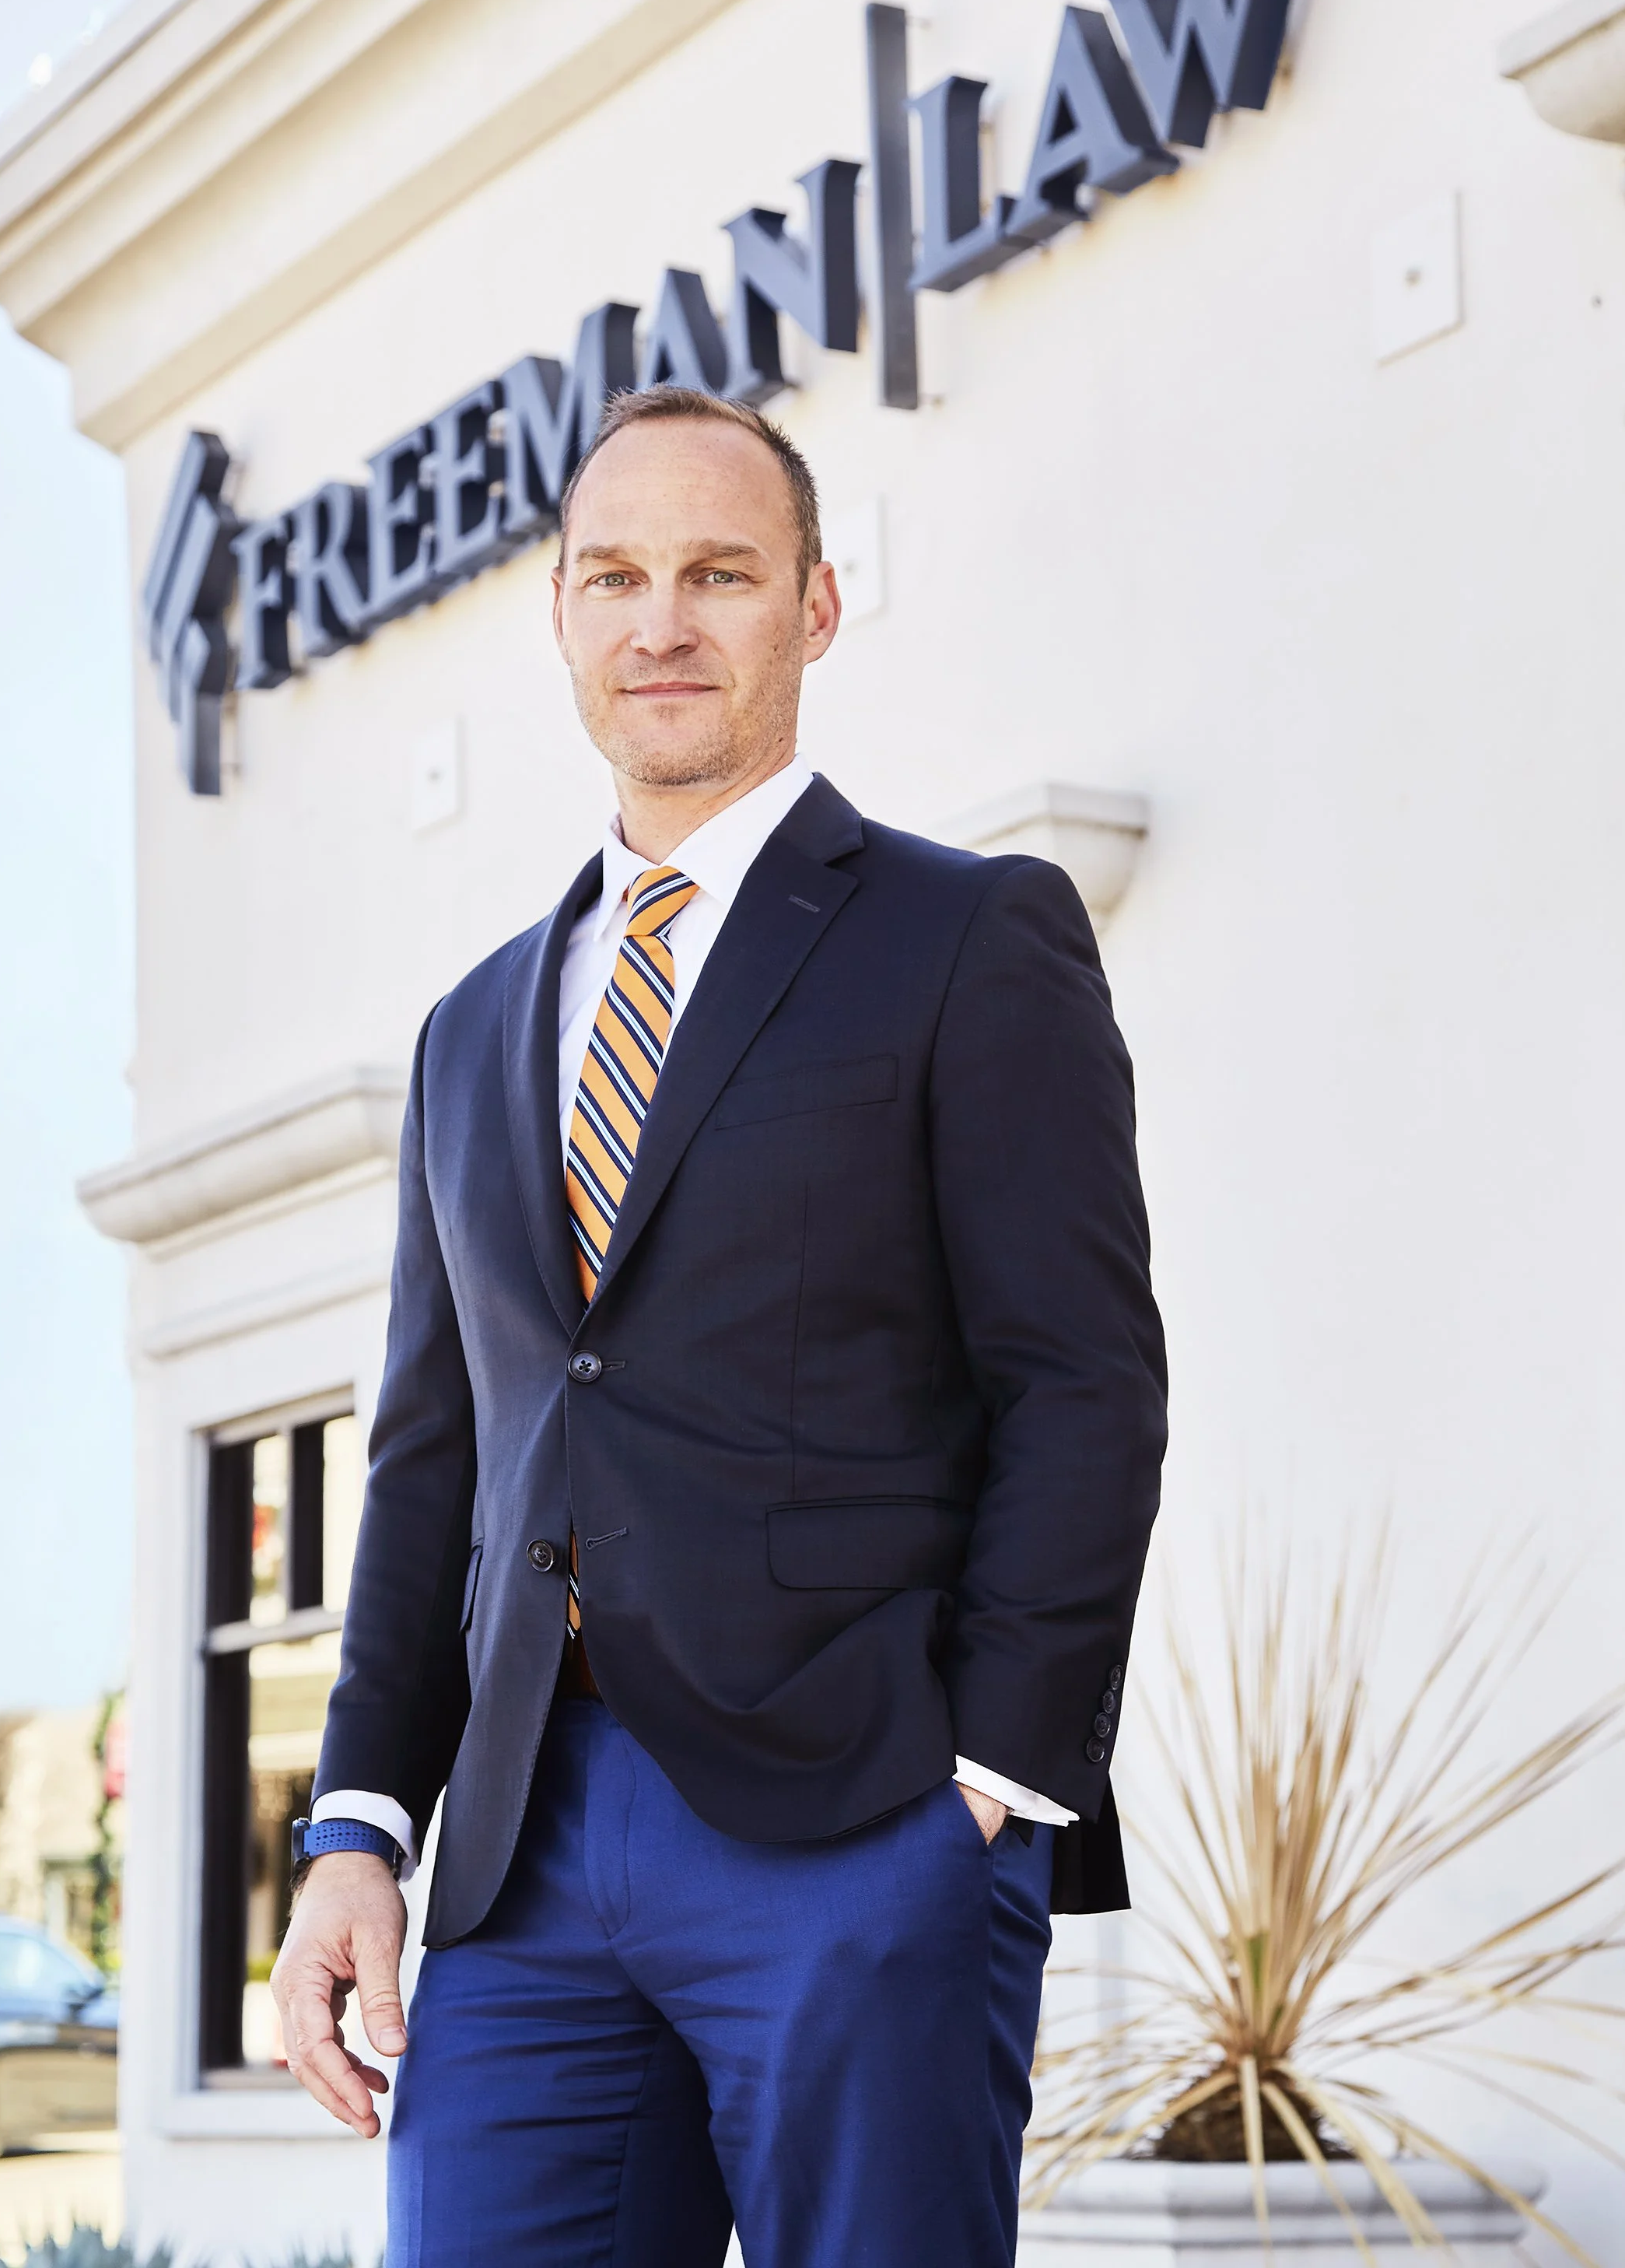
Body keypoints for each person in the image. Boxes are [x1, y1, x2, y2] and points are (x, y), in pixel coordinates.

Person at [271, 385, 1168, 2268]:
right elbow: (440, 1461)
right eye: (616, 576)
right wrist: (355, 1822)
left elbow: (1081, 1382)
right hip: (522, 1852)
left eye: (718, 574)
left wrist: (991, 1787)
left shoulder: (964, 935)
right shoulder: (470, 1031)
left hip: (862, 1821)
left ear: (814, 611)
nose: (661, 621)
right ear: (563, 618)